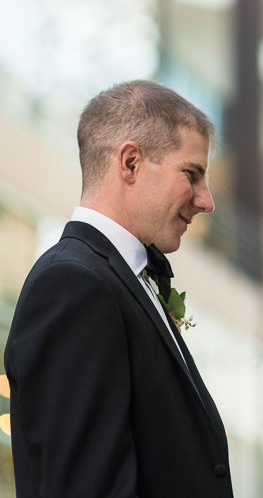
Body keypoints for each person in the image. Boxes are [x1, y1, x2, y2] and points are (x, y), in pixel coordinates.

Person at [4, 80, 234, 498]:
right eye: (192, 175)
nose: (206, 201)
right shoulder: (73, 284)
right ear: (130, 163)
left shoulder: (121, 279)